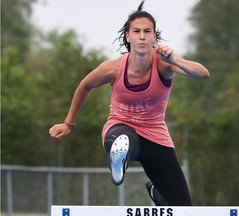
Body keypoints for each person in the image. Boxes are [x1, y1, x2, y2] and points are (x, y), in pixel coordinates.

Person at [49, 0, 210, 206]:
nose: (142, 36)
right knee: (123, 140)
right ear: (128, 36)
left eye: (147, 31)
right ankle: (119, 157)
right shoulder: (113, 69)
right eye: (136, 31)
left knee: (182, 207)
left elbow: (203, 74)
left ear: (154, 36)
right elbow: (85, 85)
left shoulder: (164, 63)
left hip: (154, 135)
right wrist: (68, 122)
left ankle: (154, 190)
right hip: (120, 127)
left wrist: (176, 60)